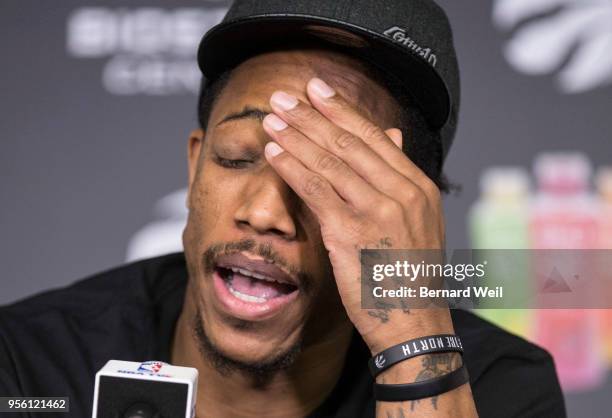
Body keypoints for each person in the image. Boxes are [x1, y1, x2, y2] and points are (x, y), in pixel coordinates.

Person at [0, 0, 566, 417]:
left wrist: (413, 341)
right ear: (196, 166)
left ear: (402, 218)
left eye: (326, 180)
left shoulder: (497, 389)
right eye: (238, 158)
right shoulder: (31, 367)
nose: (266, 212)